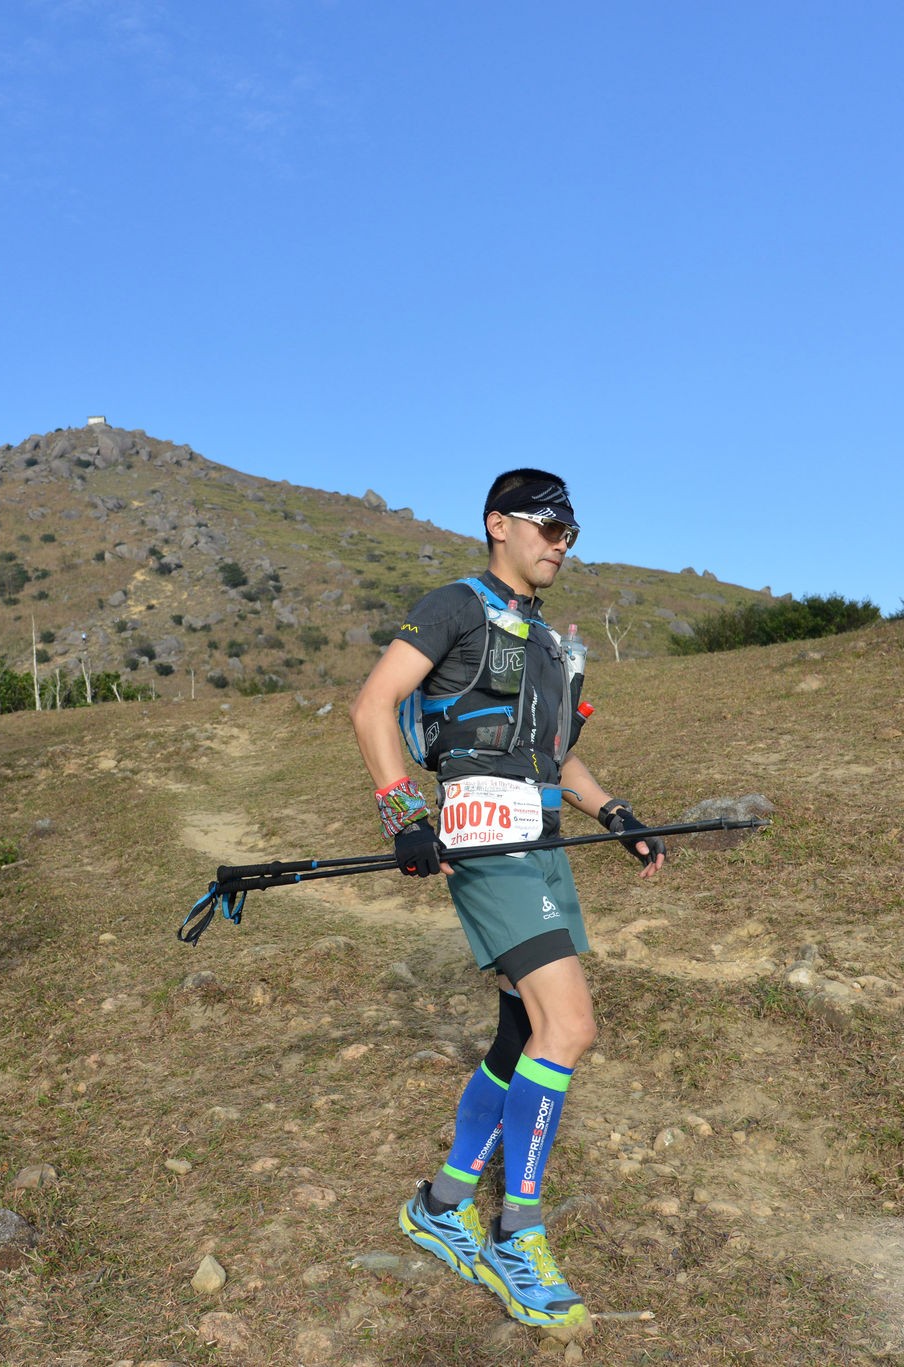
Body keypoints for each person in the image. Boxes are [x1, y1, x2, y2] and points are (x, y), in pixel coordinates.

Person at [349, 468, 665, 1329]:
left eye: (571, 533)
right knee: (571, 1025)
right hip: (487, 842)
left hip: (544, 841)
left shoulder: (549, 642)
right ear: (499, 523)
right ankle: (515, 1234)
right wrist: (404, 815)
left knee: (521, 1032)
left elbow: (552, 755)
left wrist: (617, 813)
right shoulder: (454, 606)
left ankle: (442, 1204)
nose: (561, 544)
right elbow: (374, 705)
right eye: (548, 526)